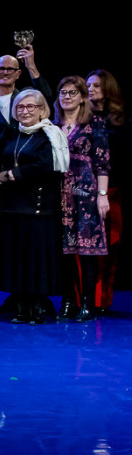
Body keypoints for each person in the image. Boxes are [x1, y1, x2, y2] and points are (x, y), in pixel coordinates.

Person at [0, 89, 68, 324]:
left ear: (42, 110)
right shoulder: (11, 133)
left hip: (39, 208)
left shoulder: (49, 135)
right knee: (17, 258)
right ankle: (21, 306)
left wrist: (13, 174)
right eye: (20, 107)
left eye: (30, 107)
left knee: (36, 259)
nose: (25, 111)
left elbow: (47, 165)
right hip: (13, 206)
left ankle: (37, 306)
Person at [54, 76, 109, 321]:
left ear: (82, 97)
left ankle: (87, 303)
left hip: (85, 193)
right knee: (64, 252)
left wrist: (102, 195)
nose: (67, 97)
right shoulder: (52, 125)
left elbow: (102, 162)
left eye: (72, 92)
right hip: (59, 193)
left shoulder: (94, 123)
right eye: (63, 92)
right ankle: (68, 302)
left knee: (87, 251)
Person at [86, 70, 128, 312]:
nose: (90, 90)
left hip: (112, 190)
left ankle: (102, 300)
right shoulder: (82, 117)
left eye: (96, 86)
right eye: (88, 85)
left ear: (108, 89)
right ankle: (85, 298)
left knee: (109, 244)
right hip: (84, 188)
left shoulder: (121, 120)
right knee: (85, 246)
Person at [0, 46, 53, 129]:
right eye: (1, 68)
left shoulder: (25, 99)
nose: (5, 72)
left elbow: (46, 98)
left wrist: (31, 66)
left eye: (10, 69)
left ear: (18, 74)